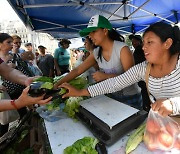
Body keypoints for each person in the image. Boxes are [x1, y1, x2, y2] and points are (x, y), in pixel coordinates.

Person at [60, 22, 180, 117]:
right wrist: (80, 92)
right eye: (143, 43)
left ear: (167, 43)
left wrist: (173, 105)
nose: (144, 47)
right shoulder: (144, 68)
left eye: (150, 42)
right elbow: (115, 83)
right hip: (164, 126)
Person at [54, 15, 142, 109]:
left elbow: (130, 79)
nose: (90, 36)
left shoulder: (122, 49)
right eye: (89, 33)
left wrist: (106, 76)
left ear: (105, 30)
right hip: (112, 95)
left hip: (130, 97)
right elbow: (77, 70)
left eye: (94, 31)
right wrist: (57, 84)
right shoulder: (96, 52)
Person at [129, 34, 150, 111]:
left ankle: (147, 110)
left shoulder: (139, 50)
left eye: (135, 41)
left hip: (143, 79)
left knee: (146, 97)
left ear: (140, 42)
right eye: (132, 42)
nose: (133, 43)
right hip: (143, 79)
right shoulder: (138, 50)